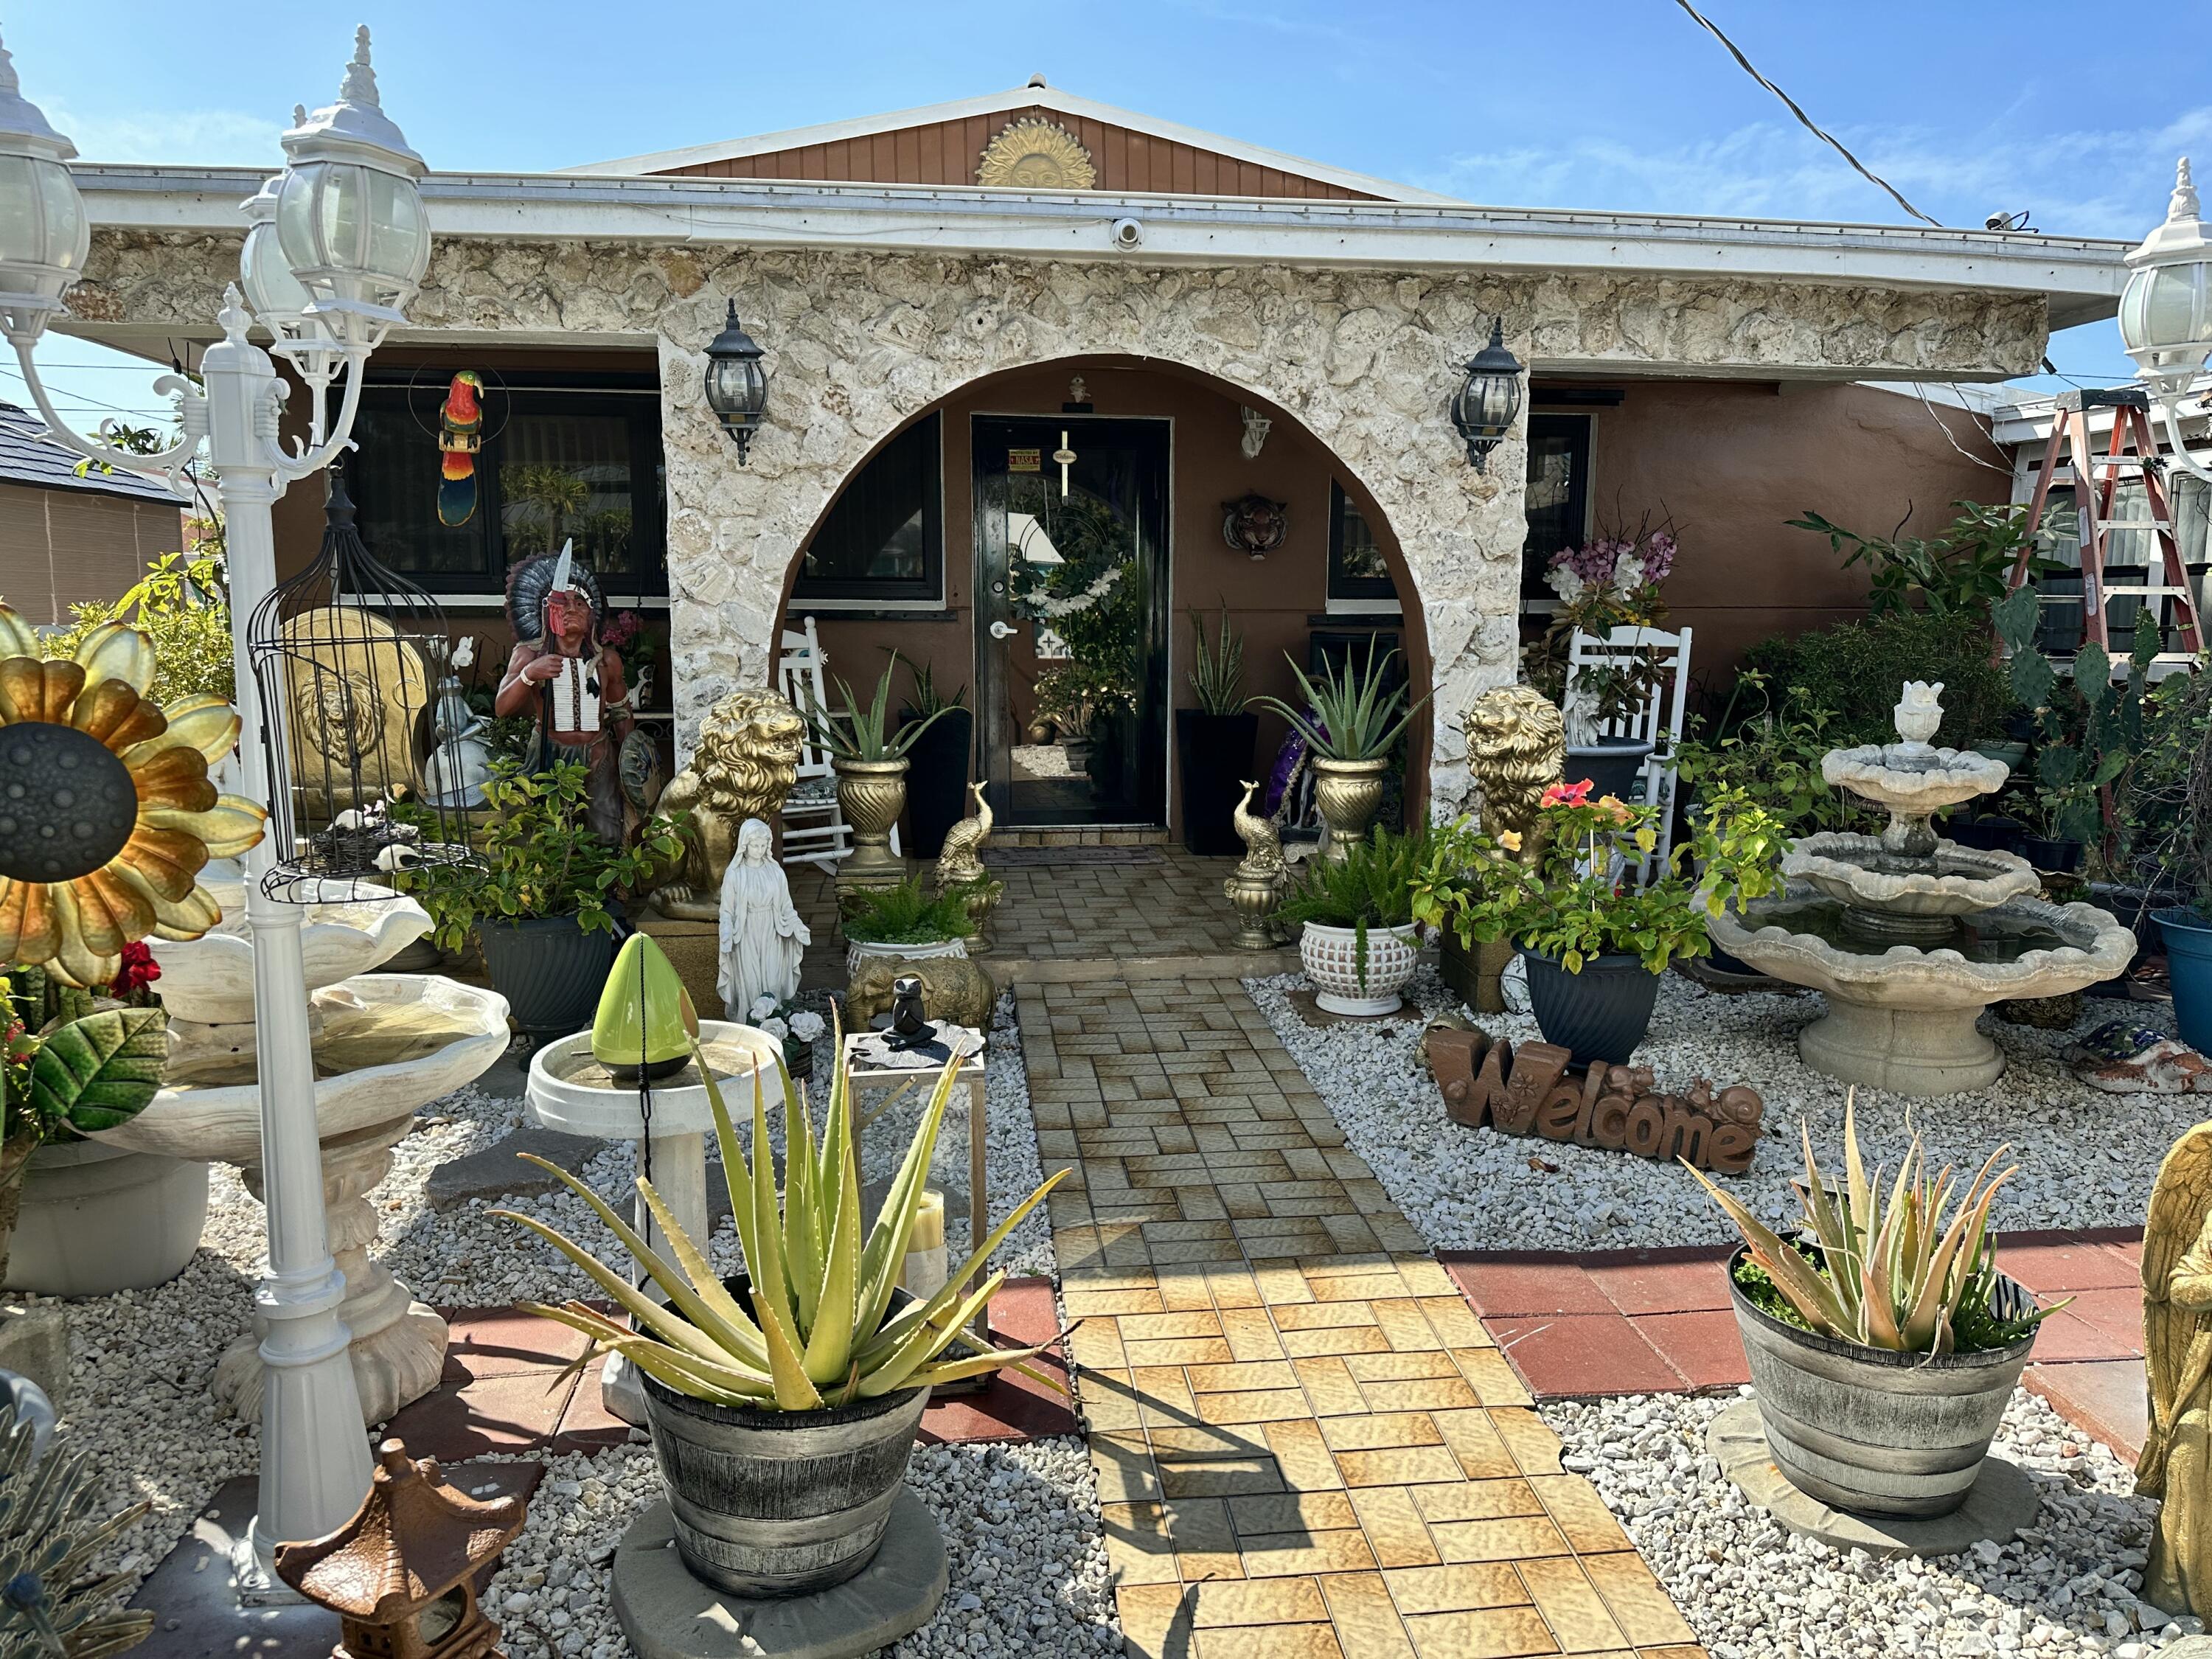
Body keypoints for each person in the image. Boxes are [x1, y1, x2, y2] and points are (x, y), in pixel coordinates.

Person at [496, 543, 632, 842]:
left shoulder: (607, 660)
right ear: (548, 613)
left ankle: (606, 888)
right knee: (541, 830)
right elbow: (502, 708)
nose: (571, 609)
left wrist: (629, 760)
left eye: (579, 603)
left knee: (606, 832)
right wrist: (530, 675)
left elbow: (621, 710)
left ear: (591, 616)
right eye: (562, 604)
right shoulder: (528, 655)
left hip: (597, 756)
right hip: (548, 756)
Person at [716, 818, 810, 1022]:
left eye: (763, 845)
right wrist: (726, 933)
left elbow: (786, 906)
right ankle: (750, 1023)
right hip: (747, 932)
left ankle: (774, 1023)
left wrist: (797, 926)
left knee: (772, 978)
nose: (759, 850)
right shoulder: (735, 875)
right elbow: (727, 911)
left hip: (772, 931)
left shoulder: (775, 872)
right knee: (749, 981)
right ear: (745, 845)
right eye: (755, 846)